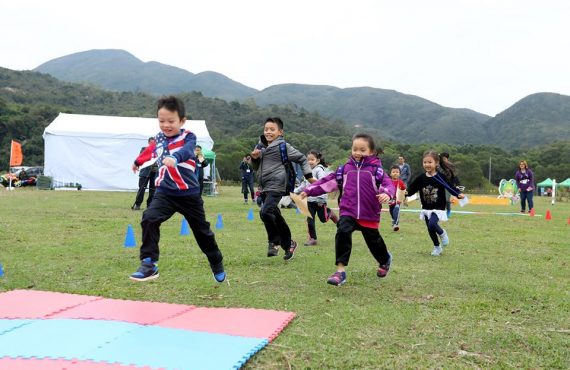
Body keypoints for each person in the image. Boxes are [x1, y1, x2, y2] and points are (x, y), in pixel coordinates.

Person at [129, 96, 225, 283]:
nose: (166, 125)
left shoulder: (188, 136)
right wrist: (138, 161)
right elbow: (150, 151)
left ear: (182, 121)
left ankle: (216, 260)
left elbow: (188, 151)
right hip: (165, 192)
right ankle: (149, 264)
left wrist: (175, 158)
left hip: (188, 195)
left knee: (202, 232)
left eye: (171, 121)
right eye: (161, 121)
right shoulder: (158, 138)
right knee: (149, 218)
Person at [300, 133, 395, 286]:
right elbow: (327, 181)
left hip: (369, 213)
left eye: (362, 150)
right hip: (348, 211)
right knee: (342, 231)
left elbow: (388, 184)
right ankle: (340, 271)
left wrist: (386, 193)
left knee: (374, 242)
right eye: (355, 149)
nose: (358, 153)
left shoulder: (376, 170)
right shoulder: (344, 169)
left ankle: (384, 260)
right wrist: (310, 189)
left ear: (371, 151)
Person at [250, 117, 314, 260]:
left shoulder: (283, 146)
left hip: (277, 184)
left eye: (272, 129)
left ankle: (274, 242)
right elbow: (255, 168)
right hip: (264, 185)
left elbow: (302, 159)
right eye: (266, 129)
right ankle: (289, 243)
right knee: (274, 214)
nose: (268, 132)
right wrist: (254, 159)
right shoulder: (260, 146)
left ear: (280, 132)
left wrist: (309, 176)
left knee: (265, 212)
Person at [406, 151, 465, 257]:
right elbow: (412, 189)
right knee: (430, 228)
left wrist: (458, 194)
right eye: (425, 162)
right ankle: (437, 247)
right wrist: (405, 193)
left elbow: (450, 186)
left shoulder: (441, 177)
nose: (427, 164)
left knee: (432, 224)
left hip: (438, 207)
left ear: (436, 163)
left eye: (430, 162)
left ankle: (442, 233)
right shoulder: (421, 178)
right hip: (426, 207)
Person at [294, 150, 339, 246]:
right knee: (310, 219)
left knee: (323, 219)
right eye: (308, 160)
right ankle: (313, 239)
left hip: (319, 200)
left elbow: (322, 183)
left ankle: (330, 213)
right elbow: (304, 184)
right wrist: (295, 191)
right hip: (309, 200)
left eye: (312, 159)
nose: (310, 161)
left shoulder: (319, 170)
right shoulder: (307, 171)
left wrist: (320, 198)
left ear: (317, 160)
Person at [131, 137, 158, 210]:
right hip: (145, 172)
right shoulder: (144, 149)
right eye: (151, 143)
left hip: (155, 172)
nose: (153, 144)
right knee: (141, 188)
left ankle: (150, 205)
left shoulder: (158, 151)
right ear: (148, 143)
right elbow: (141, 158)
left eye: (154, 143)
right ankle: (138, 204)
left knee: (153, 189)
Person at [439, 152, 461, 218]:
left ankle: (448, 210)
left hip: (449, 185)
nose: (444, 159)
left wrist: (457, 184)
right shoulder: (439, 165)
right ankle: (441, 212)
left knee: (447, 200)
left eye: (445, 158)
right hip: (440, 184)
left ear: (447, 159)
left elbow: (455, 176)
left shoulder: (451, 165)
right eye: (442, 158)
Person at [388, 165, 406, 231]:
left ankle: (396, 224)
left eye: (397, 172)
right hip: (390, 200)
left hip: (398, 200)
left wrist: (405, 196)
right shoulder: (388, 181)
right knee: (391, 211)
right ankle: (393, 220)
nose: (395, 173)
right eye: (393, 172)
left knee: (396, 209)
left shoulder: (400, 182)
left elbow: (404, 190)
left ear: (399, 174)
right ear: (390, 173)